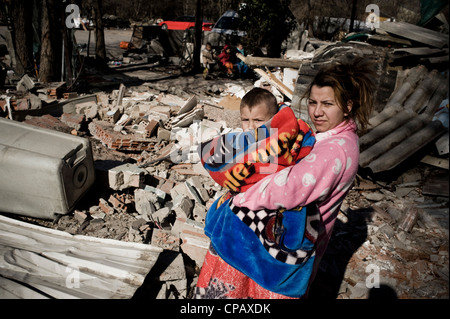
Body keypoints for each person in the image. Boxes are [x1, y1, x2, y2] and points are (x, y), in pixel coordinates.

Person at [195, 57, 376, 299]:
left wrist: (241, 197)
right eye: (312, 102)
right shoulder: (335, 137)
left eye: (327, 104)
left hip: (280, 247)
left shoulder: (335, 151)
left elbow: (288, 189)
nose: (317, 112)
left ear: (348, 106)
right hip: (292, 242)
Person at [195, 87, 318, 299]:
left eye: (259, 121)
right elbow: (217, 159)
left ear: (274, 117)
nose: (251, 127)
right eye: (245, 120)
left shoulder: (283, 138)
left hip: (274, 211)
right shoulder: (243, 143)